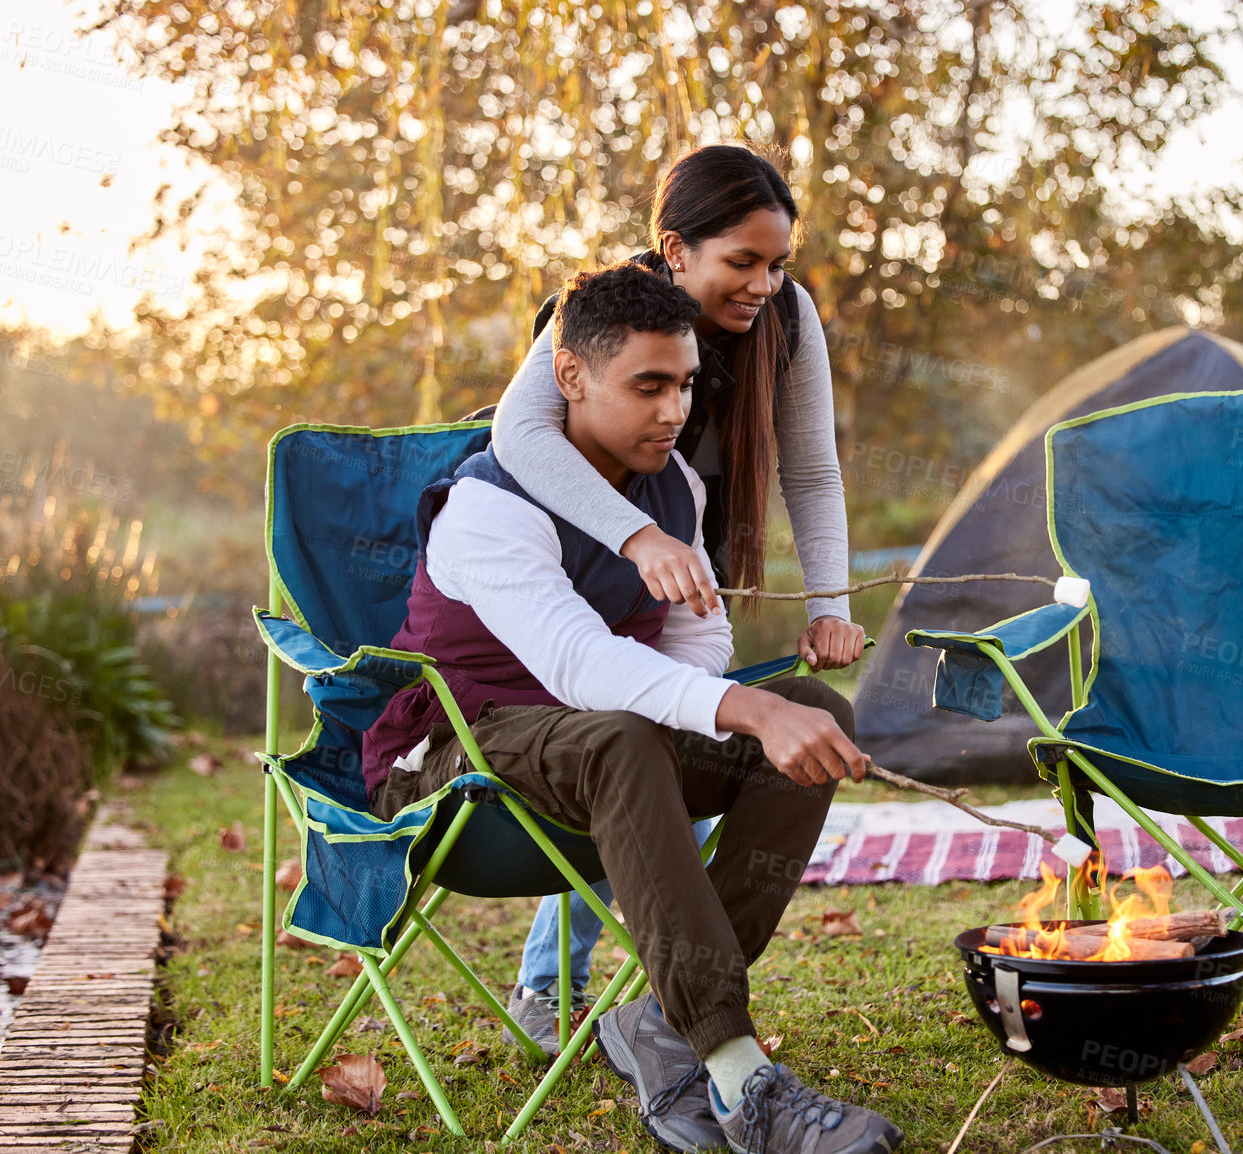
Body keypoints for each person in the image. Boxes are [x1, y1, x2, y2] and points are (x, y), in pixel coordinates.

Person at [362, 264, 902, 1154]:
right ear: (568, 377)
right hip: (456, 755)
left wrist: (747, 708)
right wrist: (738, 712)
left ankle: (660, 1019)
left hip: (598, 749)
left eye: (685, 384)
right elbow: (577, 664)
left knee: (804, 700)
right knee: (632, 731)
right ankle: (737, 1074)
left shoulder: (674, 491)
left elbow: (695, 637)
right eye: (647, 386)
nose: (673, 411)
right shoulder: (488, 507)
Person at [492, 143, 866, 1037]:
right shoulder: (604, 313)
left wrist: (830, 604)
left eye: (777, 263)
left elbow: (810, 474)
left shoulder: (790, 319)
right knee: (631, 761)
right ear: (675, 249)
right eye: (742, 262)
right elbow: (519, 436)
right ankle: (562, 986)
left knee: (672, 755)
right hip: (583, 563)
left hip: (690, 555)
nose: (764, 284)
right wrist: (635, 534)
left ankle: (663, 1008)